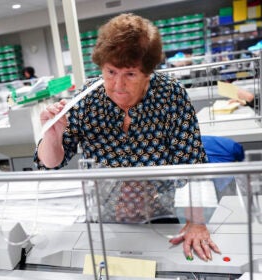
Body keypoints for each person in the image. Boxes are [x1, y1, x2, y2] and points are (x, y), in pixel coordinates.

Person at [34, 13, 220, 261]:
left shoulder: (171, 95)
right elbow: (50, 163)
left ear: (148, 72)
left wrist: (196, 223)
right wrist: (52, 137)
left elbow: (193, 166)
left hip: (159, 216)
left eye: (130, 74)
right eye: (110, 72)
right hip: (103, 219)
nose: (117, 85)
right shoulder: (88, 99)